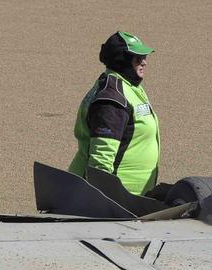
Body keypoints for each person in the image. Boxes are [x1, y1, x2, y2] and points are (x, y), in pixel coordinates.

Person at [69, 32, 161, 196]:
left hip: (128, 198)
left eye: (144, 56)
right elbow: (101, 159)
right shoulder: (112, 99)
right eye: (138, 58)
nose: (144, 62)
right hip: (113, 200)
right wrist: (99, 201)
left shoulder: (128, 87)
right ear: (122, 60)